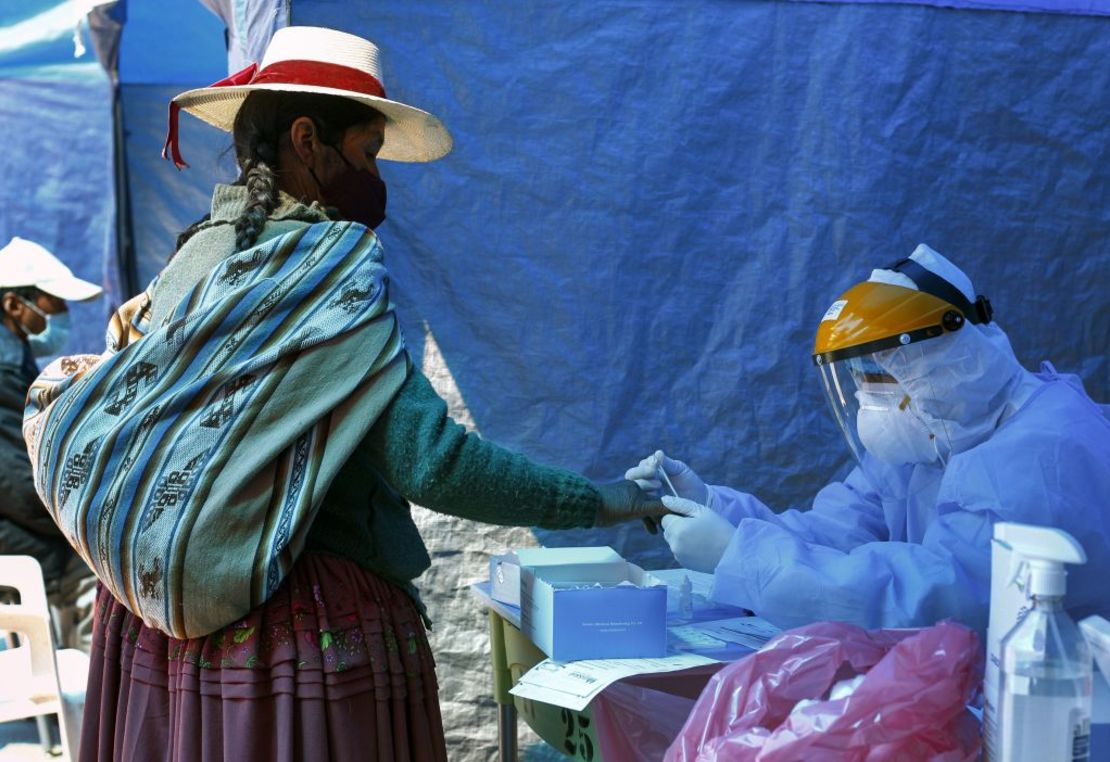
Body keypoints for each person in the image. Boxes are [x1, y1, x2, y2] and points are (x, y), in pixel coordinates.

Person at [23, 27, 664, 762]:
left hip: (159, 637)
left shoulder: (193, 252)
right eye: (364, 154)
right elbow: (432, 464)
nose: (376, 180)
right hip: (294, 637)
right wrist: (603, 500)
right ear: (307, 139)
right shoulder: (327, 276)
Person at [628, 244, 1110, 634]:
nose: (866, 400)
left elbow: (936, 602)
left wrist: (741, 557)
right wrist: (713, 507)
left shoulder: (1045, 458)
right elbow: (831, 538)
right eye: (858, 381)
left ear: (945, 366)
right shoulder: (934, 434)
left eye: (878, 379)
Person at [0, 236, 100, 647]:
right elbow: (11, 481)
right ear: (13, 306)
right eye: (54, 303)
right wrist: (78, 519)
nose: (61, 316)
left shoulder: (13, 356)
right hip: (21, 546)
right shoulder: (3, 367)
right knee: (96, 580)